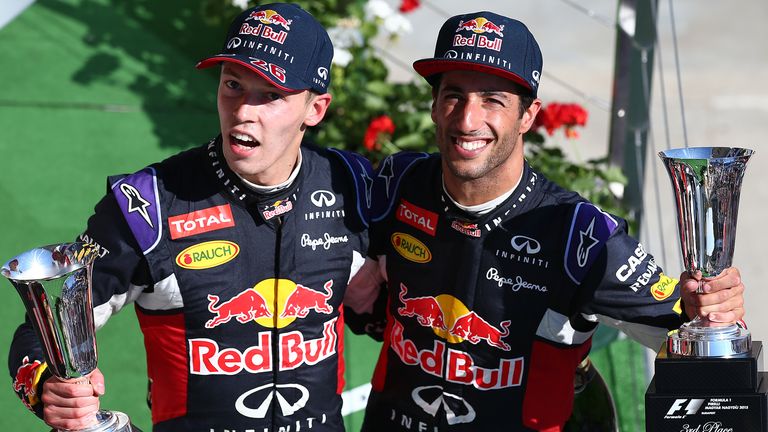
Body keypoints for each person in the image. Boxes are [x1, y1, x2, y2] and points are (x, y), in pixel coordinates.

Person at [358, 11, 746, 431]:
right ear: (434, 105)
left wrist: (713, 309)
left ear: (528, 115)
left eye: (493, 99)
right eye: (454, 95)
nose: (467, 120)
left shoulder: (579, 234)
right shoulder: (397, 184)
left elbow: (687, 333)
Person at [8, 3, 376, 431]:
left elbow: (399, 305)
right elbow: (46, 324)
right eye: (233, 85)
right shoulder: (148, 203)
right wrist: (45, 383)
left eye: (271, 95)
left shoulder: (351, 185)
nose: (243, 112)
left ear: (316, 109)